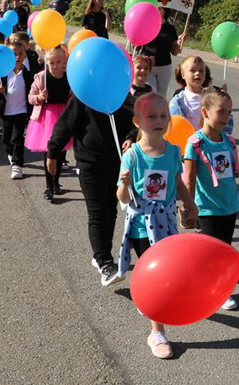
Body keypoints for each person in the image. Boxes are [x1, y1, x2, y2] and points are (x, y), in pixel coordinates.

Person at [116, 92, 195, 359]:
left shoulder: (173, 151)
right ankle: (157, 332)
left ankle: (150, 304)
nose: (159, 120)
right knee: (156, 278)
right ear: (137, 121)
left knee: (168, 276)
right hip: (141, 226)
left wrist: (190, 204)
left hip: (167, 222)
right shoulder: (133, 155)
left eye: (164, 115)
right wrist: (124, 184)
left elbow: (178, 183)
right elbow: (123, 198)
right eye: (152, 116)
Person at [182, 85, 239, 310]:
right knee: (216, 254)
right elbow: (189, 179)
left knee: (224, 250)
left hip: (230, 207)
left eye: (229, 112)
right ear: (205, 112)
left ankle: (212, 287)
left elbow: (235, 172)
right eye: (221, 111)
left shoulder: (229, 142)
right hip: (208, 209)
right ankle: (218, 292)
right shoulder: (195, 143)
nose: (226, 117)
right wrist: (189, 208)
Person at [47, 90, 136, 287]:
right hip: (89, 165)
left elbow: (136, 123)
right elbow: (65, 125)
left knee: (110, 211)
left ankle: (101, 254)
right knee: (97, 213)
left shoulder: (123, 97)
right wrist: (53, 152)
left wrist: (131, 136)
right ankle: (104, 261)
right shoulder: (84, 97)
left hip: (117, 164)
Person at [26, 46, 72, 201]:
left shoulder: (69, 77)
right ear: (46, 61)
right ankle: (48, 187)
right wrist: (39, 97)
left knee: (61, 153)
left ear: (64, 61)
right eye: (51, 62)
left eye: (59, 62)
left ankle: (56, 182)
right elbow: (30, 97)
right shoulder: (40, 77)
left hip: (63, 117)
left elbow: (73, 97)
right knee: (49, 153)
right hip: (46, 119)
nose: (55, 66)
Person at [0, 41, 35, 179]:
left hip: (21, 111)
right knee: (6, 139)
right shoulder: (3, 74)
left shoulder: (29, 74)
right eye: (13, 54)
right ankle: (11, 154)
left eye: (20, 54)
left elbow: (32, 90)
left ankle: (17, 165)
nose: (17, 57)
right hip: (6, 112)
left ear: (25, 55)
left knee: (17, 139)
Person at [142, 7, 185, 95]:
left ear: (165, 11)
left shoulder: (170, 28)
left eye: (159, 9)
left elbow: (174, 52)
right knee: (150, 93)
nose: (156, 10)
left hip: (165, 66)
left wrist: (179, 43)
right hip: (148, 65)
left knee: (161, 96)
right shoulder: (146, 25)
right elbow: (137, 46)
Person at [169, 55, 210, 130]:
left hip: (207, 140)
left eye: (201, 70)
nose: (198, 73)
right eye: (192, 70)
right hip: (186, 140)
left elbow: (224, 120)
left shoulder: (212, 97)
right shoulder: (178, 102)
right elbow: (172, 126)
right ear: (183, 75)